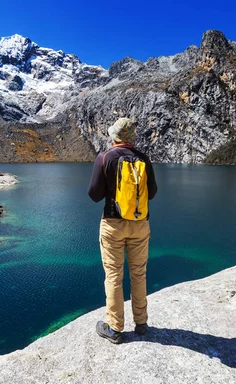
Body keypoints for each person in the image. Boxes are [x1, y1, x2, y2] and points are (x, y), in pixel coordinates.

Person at [88, 117, 158, 344]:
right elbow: (153, 192)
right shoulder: (143, 159)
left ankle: (115, 328)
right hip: (140, 224)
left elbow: (94, 194)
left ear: (114, 136)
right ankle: (141, 323)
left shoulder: (105, 157)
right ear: (132, 138)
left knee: (114, 276)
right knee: (139, 273)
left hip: (113, 225)